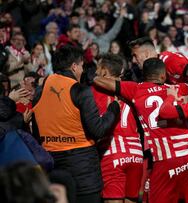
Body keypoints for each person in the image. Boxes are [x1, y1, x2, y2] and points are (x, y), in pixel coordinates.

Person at [91, 58, 188, 203]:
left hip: (165, 159)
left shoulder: (135, 89)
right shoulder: (177, 88)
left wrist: (97, 75)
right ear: (163, 76)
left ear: (144, 74)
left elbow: (100, 81)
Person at [32, 45, 121, 203]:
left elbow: (37, 132)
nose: (82, 70)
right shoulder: (80, 90)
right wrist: (113, 110)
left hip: (52, 163)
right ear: (74, 66)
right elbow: (98, 130)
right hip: (82, 167)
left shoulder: (40, 90)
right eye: (81, 66)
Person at [91, 54, 143, 203]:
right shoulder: (132, 88)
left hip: (113, 152)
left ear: (104, 71)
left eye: (97, 68)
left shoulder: (94, 90)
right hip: (136, 153)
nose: (95, 72)